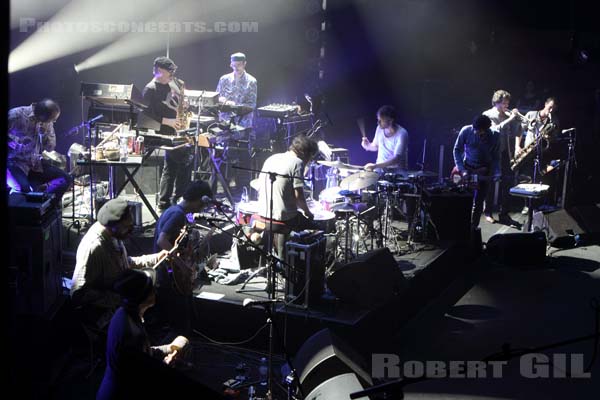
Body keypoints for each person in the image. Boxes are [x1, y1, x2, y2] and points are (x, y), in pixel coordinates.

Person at [71, 198, 166, 329]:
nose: (131, 231)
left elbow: (125, 264)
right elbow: (79, 294)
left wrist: (157, 257)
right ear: (113, 226)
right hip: (100, 322)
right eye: (128, 227)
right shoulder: (94, 248)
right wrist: (119, 298)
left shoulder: (115, 236)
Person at [97, 269, 191, 400]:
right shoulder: (132, 333)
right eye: (151, 289)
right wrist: (167, 363)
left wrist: (170, 348)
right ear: (144, 296)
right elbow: (144, 377)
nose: (155, 291)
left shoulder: (124, 313)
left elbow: (143, 354)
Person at [151, 180, 213, 339]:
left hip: (169, 274)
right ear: (200, 200)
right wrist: (183, 266)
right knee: (180, 325)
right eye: (203, 204)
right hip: (170, 277)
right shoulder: (177, 214)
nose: (202, 208)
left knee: (182, 321)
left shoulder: (174, 211)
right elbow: (162, 241)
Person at [143, 56, 192, 211]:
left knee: (177, 165)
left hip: (175, 129)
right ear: (158, 71)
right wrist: (167, 121)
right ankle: (170, 201)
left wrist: (184, 103)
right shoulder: (150, 89)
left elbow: (174, 103)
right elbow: (145, 117)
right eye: (169, 71)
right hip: (161, 132)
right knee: (176, 164)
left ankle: (171, 200)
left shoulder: (170, 85)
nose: (172, 74)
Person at [256, 135, 319, 257]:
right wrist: (308, 212)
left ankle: (280, 256)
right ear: (305, 153)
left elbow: (259, 185)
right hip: (282, 217)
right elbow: (299, 196)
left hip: (263, 212)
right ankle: (298, 263)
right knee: (317, 228)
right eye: (311, 157)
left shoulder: (272, 158)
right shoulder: (298, 163)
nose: (310, 161)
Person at [7, 98, 71, 203]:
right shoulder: (16, 115)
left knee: (66, 179)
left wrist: (44, 134)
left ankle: (46, 210)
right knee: (24, 190)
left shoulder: (47, 123)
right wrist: (15, 142)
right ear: (42, 115)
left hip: (34, 163)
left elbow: (50, 148)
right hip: (14, 162)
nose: (53, 121)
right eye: (52, 119)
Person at [215, 52, 258, 196]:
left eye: (239, 65)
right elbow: (217, 97)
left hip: (242, 125)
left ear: (244, 64)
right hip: (224, 123)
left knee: (242, 158)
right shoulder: (224, 79)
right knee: (221, 156)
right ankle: (223, 189)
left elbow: (251, 104)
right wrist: (226, 103)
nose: (236, 68)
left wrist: (237, 107)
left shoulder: (251, 81)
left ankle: (242, 190)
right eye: (234, 65)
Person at [482, 90, 522, 226]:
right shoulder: (488, 115)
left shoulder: (507, 115)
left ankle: (504, 214)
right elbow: (495, 131)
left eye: (507, 103)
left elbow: (517, 132)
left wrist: (517, 121)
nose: (506, 105)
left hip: (505, 153)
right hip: (492, 155)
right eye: (504, 103)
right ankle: (487, 212)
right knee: (490, 184)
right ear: (496, 102)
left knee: (507, 184)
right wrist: (510, 119)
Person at [453, 115, 500, 230]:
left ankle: (473, 229)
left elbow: (495, 157)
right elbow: (456, 150)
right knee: (464, 200)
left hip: (484, 170)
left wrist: (494, 173)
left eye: (479, 130)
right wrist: (462, 169)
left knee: (478, 203)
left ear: (486, 129)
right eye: (475, 129)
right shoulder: (466, 130)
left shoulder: (495, 136)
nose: (475, 132)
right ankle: (462, 228)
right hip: (467, 168)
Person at [360, 105, 409, 173]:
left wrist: (375, 166)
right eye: (378, 120)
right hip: (380, 170)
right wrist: (367, 145)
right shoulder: (379, 129)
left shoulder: (402, 133)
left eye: (381, 120)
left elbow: (396, 159)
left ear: (390, 120)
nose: (378, 123)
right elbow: (375, 147)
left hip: (397, 172)